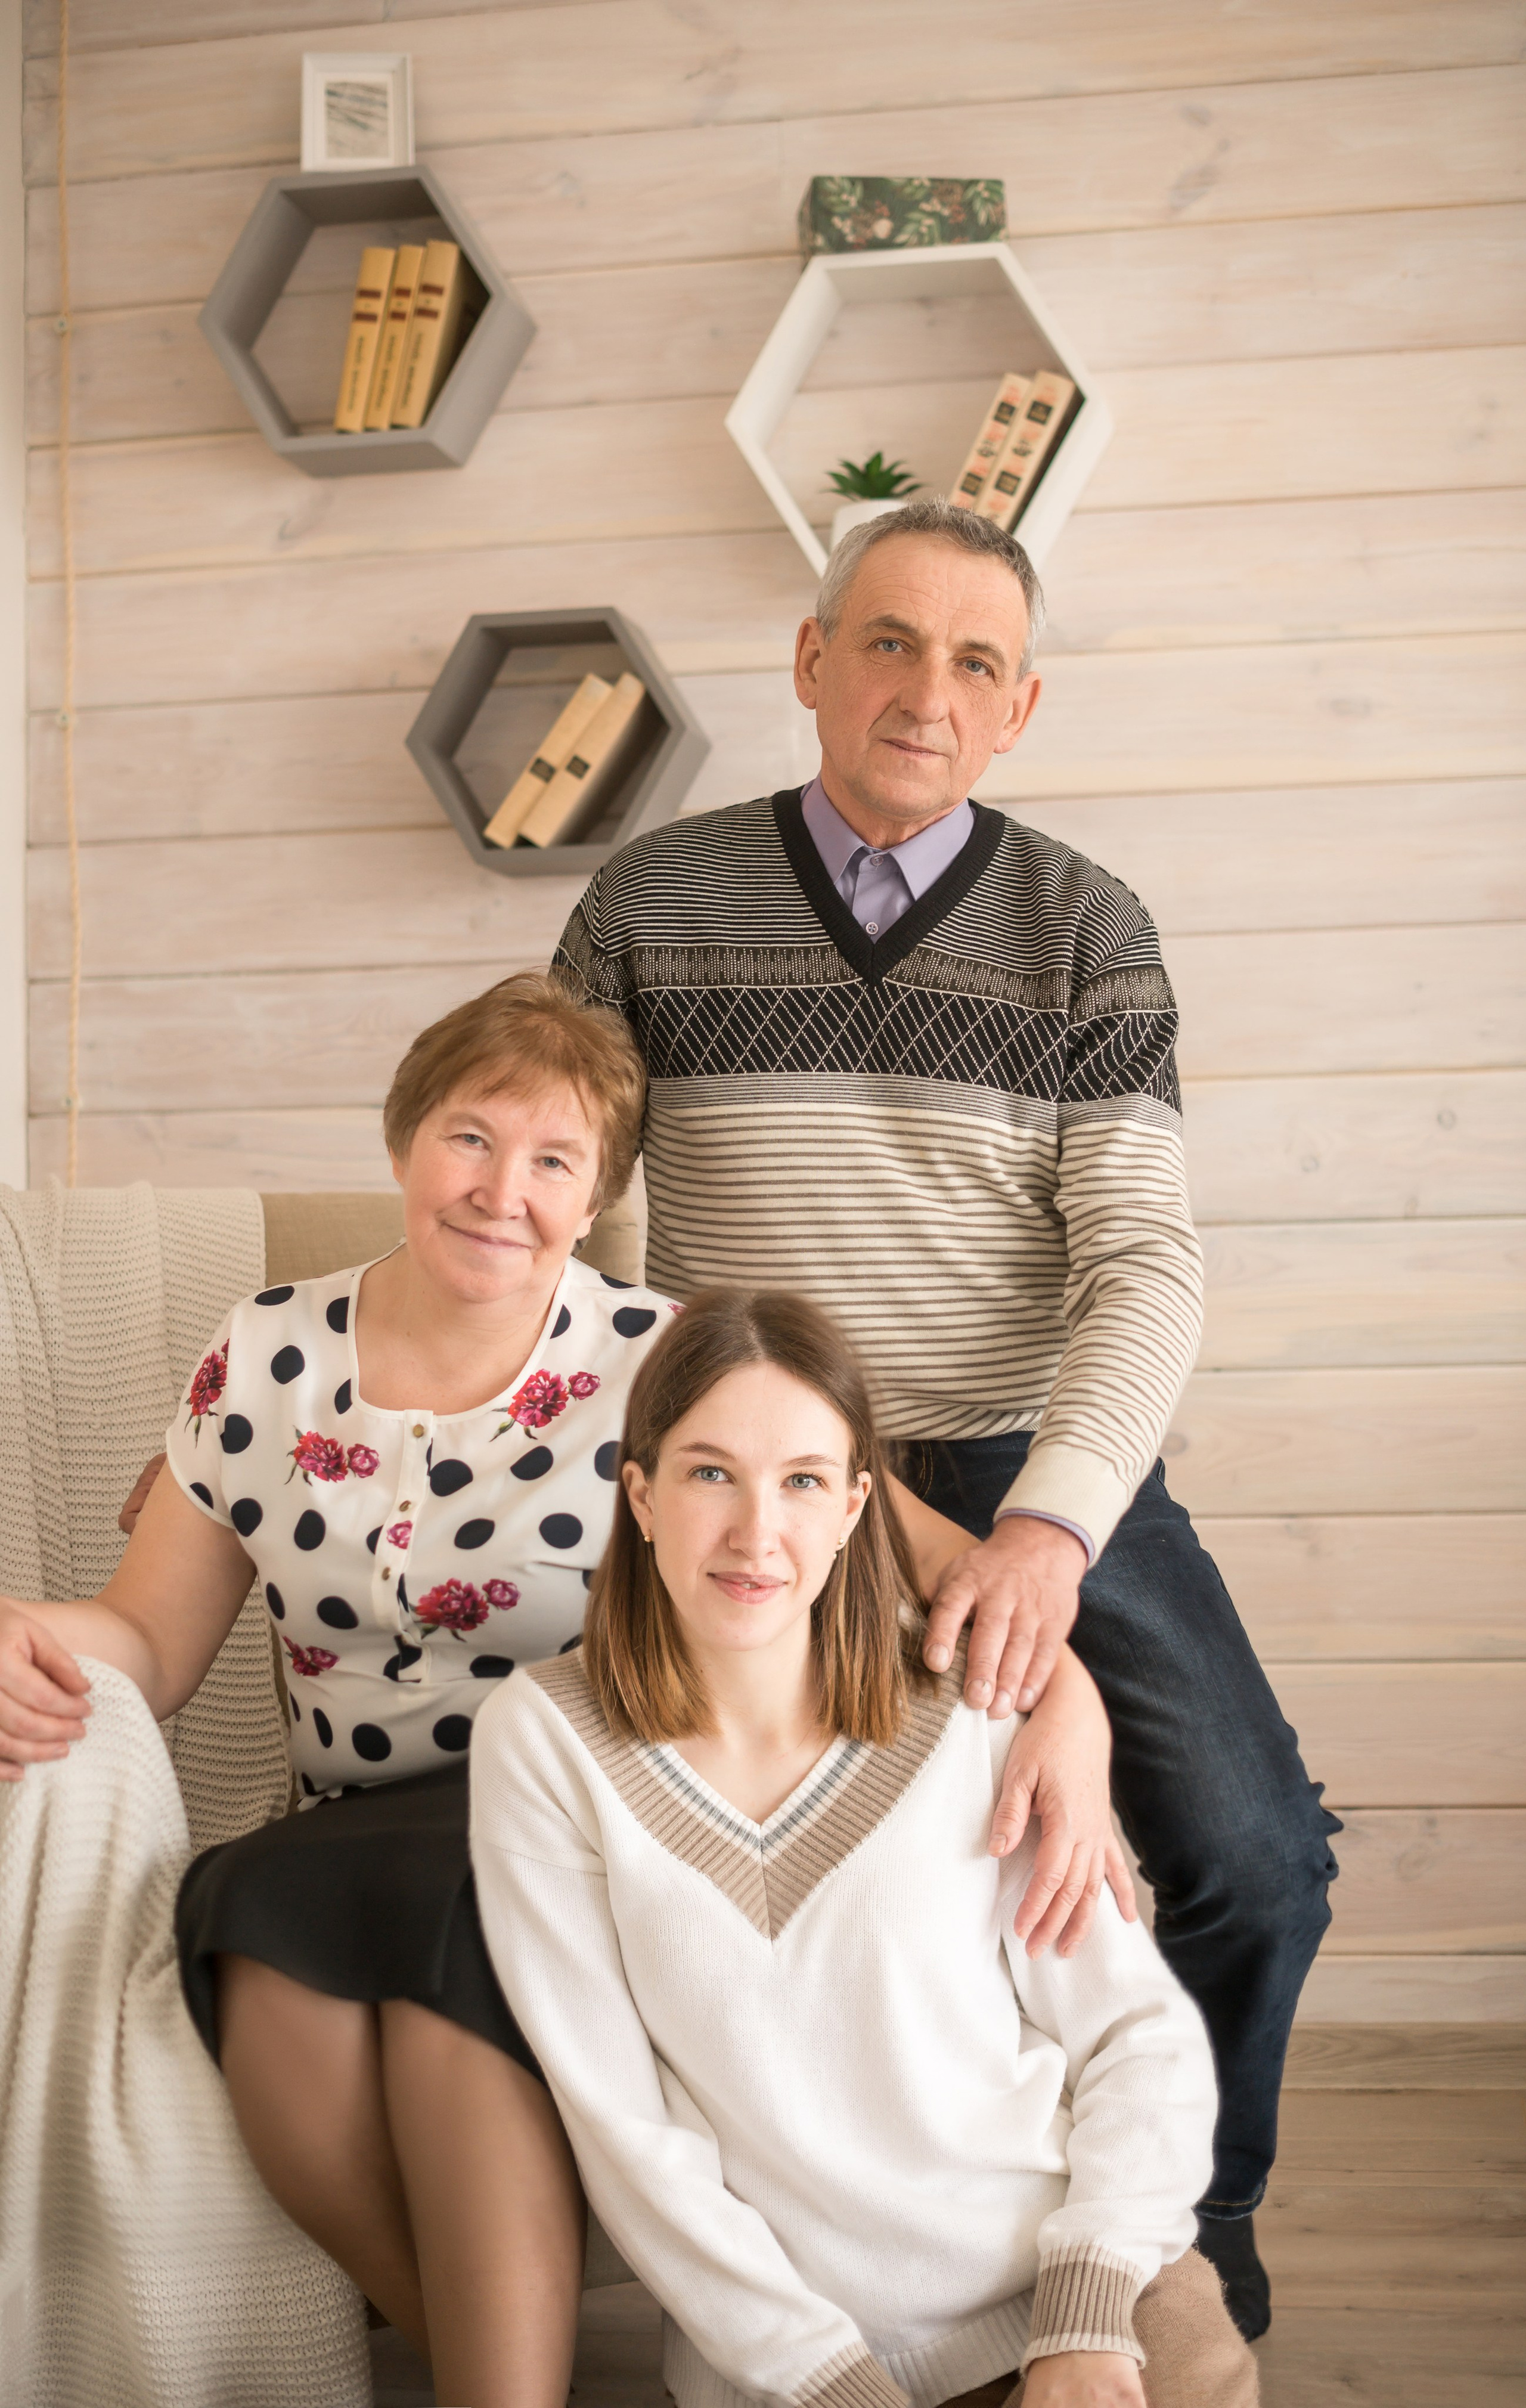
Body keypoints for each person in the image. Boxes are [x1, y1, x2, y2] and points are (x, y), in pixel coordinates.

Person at [0, 972, 1121, 2408]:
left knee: (434, 1951)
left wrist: (1068, 1721)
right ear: (406, 1140)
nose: (500, 1192)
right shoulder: (265, 1356)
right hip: (349, 1820)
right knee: (251, 1926)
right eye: (471, 1139)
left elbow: (964, 1577)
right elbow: (142, 1645)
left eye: (553, 1162)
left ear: (592, 1196)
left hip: (599, 1797)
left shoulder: (667, 1360)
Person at [551, 497, 1339, 2336]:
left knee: (1252, 1858)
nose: (927, 689)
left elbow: (1144, 1266)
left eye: (973, 661)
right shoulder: (647, 903)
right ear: (813, 663)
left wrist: (1055, 1530)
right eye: (888, 642)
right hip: (738, 1457)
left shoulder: (1090, 933)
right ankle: (831, 2263)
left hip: (1012, 1451)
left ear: (1021, 708)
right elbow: (554, 1208)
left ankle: (1175, 2249)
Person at [471, 1287, 1260, 2408]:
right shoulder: (544, 1745)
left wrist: (1086, 2317)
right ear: (641, 1497)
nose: (756, 1533)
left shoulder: (974, 1706)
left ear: (853, 1511)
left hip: (1082, 2285)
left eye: (800, 1482)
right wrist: (825, 2381)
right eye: (709, 1474)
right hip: (793, 2364)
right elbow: (630, 2137)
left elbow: (1137, 2036)